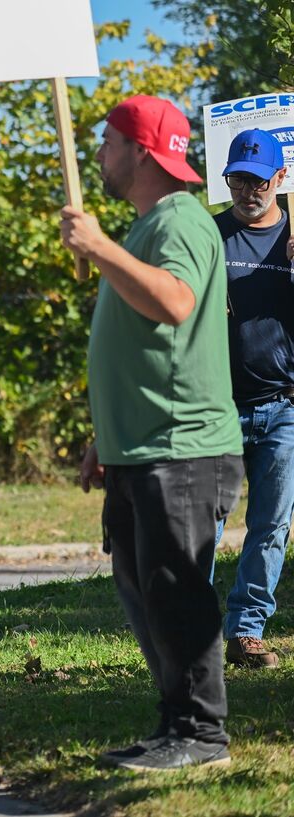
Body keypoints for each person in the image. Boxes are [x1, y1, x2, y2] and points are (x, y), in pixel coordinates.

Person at [62, 95, 244, 771]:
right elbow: (138, 345)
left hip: (182, 446)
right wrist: (102, 437)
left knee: (177, 593)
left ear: (141, 151)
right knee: (149, 595)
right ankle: (176, 725)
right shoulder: (145, 226)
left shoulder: (181, 221)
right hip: (139, 445)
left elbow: (172, 303)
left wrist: (99, 247)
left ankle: (202, 734)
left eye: (108, 143)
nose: (99, 156)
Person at [214, 128, 294, 670]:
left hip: (284, 406)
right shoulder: (208, 234)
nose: (247, 191)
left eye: (258, 181)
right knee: (203, 523)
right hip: (216, 407)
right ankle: (190, 631)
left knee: (270, 525)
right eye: (237, 180)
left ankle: (246, 630)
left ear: (280, 178)